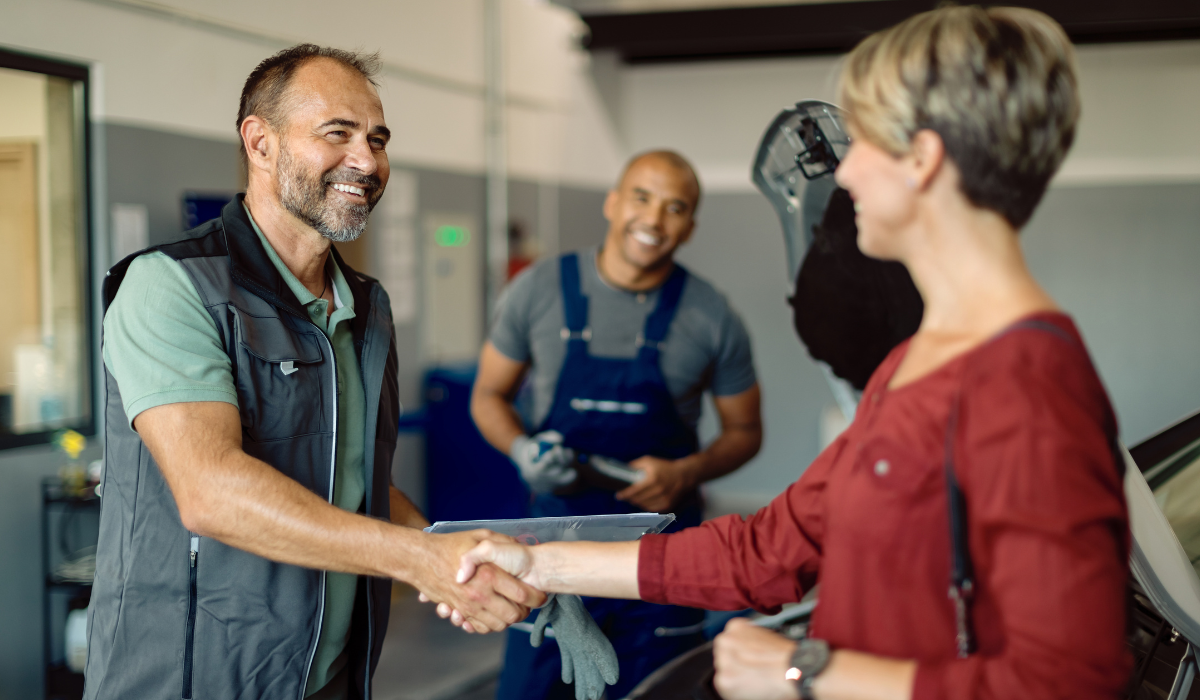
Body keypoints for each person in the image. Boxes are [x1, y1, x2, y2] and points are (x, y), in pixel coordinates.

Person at [451, 7, 1133, 700]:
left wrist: (804, 670)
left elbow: (1069, 681)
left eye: (862, 142)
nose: (846, 175)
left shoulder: (1028, 384)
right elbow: (769, 550)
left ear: (923, 160)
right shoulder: (912, 364)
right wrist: (538, 564)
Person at [88, 45, 542, 700]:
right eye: (338, 134)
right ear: (260, 142)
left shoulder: (366, 308)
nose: (366, 161)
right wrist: (420, 560)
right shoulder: (172, 286)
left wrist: (480, 568)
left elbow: (355, 481)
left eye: (378, 140)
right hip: (189, 680)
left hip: (328, 679)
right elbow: (211, 491)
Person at [470, 150, 763, 699]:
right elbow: (489, 395)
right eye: (642, 197)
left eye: (675, 208)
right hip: (551, 560)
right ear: (613, 202)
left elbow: (746, 431)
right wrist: (521, 450)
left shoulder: (711, 316)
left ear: (691, 226)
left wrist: (685, 471)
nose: (653, 220)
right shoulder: (539, 290)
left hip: (662, 561)